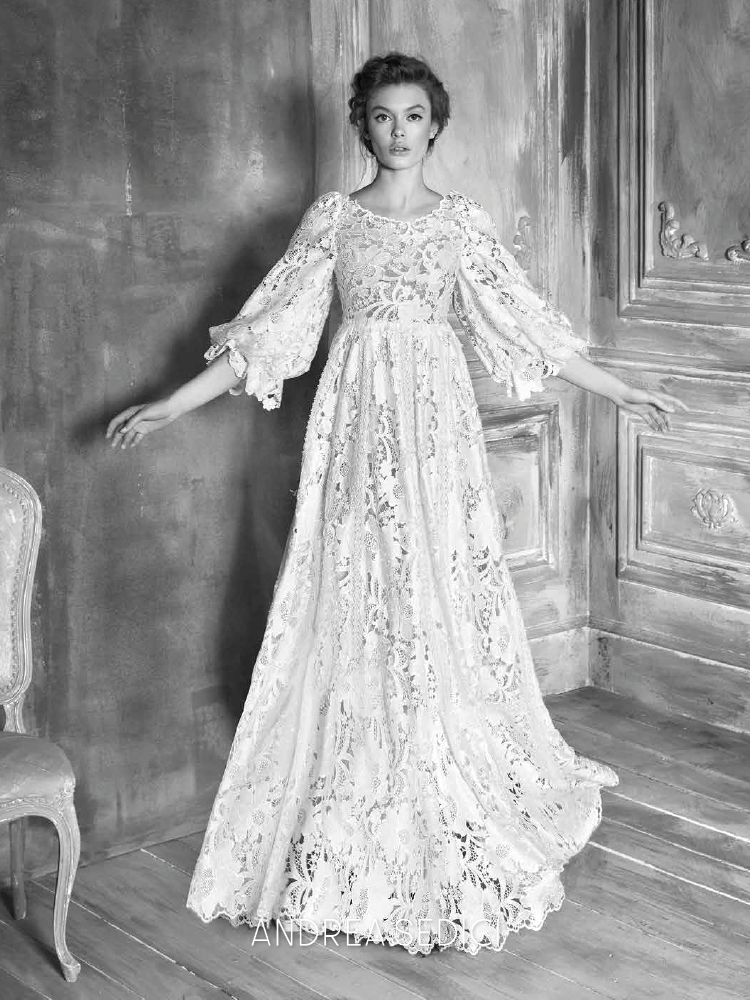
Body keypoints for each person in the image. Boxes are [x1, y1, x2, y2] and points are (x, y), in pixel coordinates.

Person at [107, 52, 686, 955]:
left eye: (414, 115)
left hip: (436, 430)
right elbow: (273, 331)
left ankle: (441, 753)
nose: (399, 131)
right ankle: (362, 767)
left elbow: (524, 324)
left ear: (435, 125)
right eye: (382, 116)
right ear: (363, 126)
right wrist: (172, 402)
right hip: (354, 425)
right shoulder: (334, 220)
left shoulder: (460, 224)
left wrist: (621, 390)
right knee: (355, 582)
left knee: (432, 582)